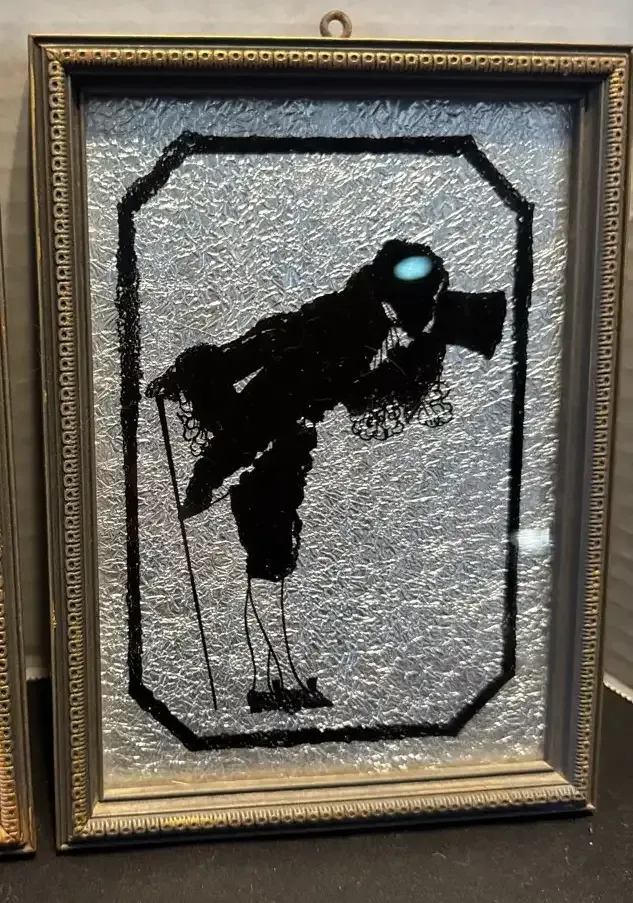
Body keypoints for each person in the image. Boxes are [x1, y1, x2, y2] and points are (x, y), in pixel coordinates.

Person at [146, 239, 506, 714]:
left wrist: (212, 473)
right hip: (275, 433)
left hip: (279, 433)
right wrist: (209, 474)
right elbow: (264, 404)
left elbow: (288, 390)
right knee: (270, 541)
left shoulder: (358, 325)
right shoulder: (342, 329)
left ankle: (276, 673)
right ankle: (270, 674)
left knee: (272, 541)